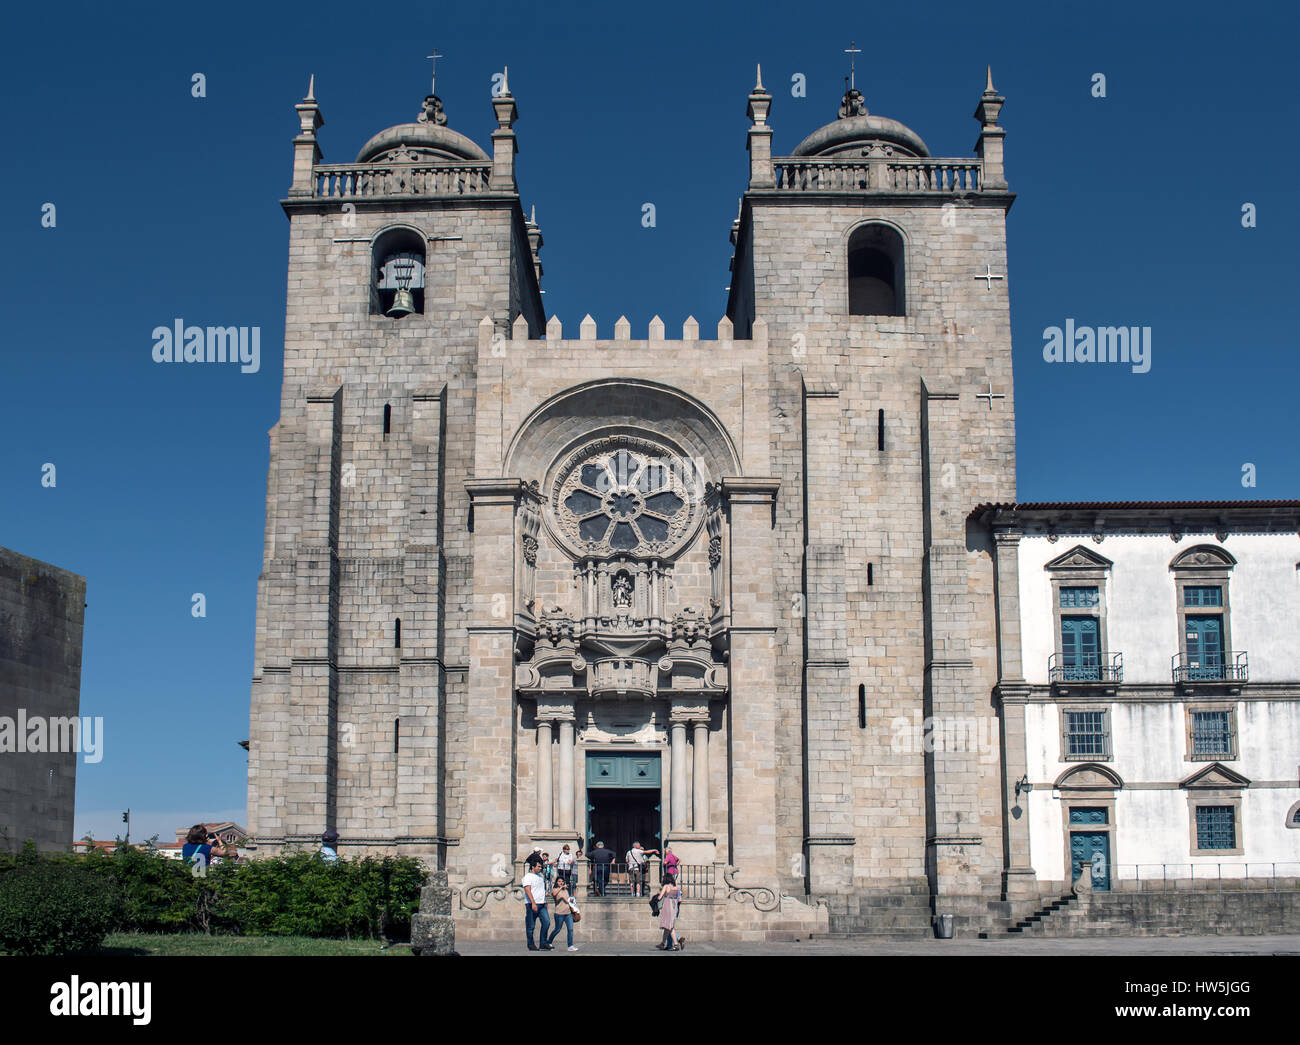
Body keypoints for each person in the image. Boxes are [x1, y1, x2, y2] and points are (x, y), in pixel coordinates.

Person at [522, 861, 552, 950]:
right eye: (538, 867)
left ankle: (543, 943)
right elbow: (527, 890)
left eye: (541, 867)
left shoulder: (540, 876)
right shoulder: (527, 877)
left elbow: (541, 890)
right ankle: (530, 944)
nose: (540, 868)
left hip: (542, 904)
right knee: (531, 925)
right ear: (532, 866)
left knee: (546, 922)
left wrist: (544, 901)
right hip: (532, 904)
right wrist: (533, 903)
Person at [546, 878, 580, 951]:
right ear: (556, 882)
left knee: (570, 929)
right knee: (557, 929)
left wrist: (571, 900)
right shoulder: (555, 890)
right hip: (559, 913)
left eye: (562, 881)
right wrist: (561, 888)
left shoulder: (566, 890)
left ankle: (570, 946)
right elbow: (554, 894)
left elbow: (568, 899)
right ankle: (549, 942)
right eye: (559, 881)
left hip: (568, 913)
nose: (561, 883)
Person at [656, 874, 684, 951]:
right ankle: (662, 943)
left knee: (669, 926)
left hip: (667, 906)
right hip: (674, 907)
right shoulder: (677, 888)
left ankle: (676, 944)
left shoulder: (666, 886)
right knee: (667, 926)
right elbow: (679, 899)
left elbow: (660, 897)